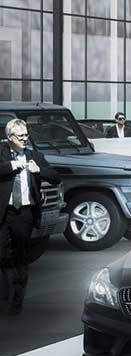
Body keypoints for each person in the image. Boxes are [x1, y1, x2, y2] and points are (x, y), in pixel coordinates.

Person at [0, 119, 61, 315]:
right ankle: (5, 295)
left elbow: (55, 177)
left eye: (27, 135)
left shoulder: (35, 156)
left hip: (24, 214)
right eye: (20, 136)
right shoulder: (1, 153)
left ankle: (17, 300)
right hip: (4, 213)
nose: (25, 139)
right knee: (1, 256)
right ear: (10, 138)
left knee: (20, 258)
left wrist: (39, 170)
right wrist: (13, 165)